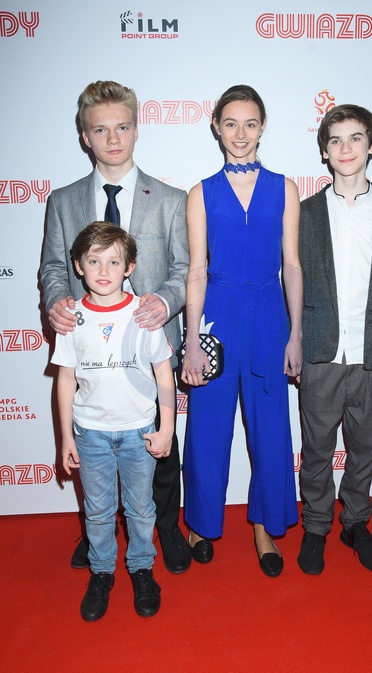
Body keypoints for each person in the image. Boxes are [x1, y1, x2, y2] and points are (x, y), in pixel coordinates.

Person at [40, 80, 191, 574]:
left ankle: (166, 527)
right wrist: (56, 302)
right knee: (98, 447)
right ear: (85, 136)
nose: (112, 139)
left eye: (122, 127)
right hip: (92, 348)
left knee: (159, 446)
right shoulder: (62, 201)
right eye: (100, 130)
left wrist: (163, 303)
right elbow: (53, 268)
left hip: (149, 343)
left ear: (136, 129)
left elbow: (184, 268)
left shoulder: (169, 198)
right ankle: (98, 532)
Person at [181, 84, 302, 577]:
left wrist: (296, 333)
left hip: (269, 316)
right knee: (207, 428)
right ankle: (200, 522)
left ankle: (264, 526)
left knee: (270, 429)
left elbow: (292, 265)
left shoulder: (285, 188)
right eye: (230, 123)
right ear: (216, 126)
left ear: (263, 126)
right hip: (216, 315)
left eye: (250, 123)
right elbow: (195, 270)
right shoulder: (200, 193)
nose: (240, 133)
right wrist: (191, 339)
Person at [297, 104, 372, 575]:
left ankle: (356, 523)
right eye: (336, 140)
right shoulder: (303, 213)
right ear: (324, 151)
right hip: (320, 352)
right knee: (317, 449)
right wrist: (293, 345)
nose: (346, 148)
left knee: (364, 449)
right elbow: (289, 285)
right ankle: (316, 526)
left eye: (355, 138)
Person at [52, 222, 175, 620]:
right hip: (91, 435)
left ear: (130, 267)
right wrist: (66, 438)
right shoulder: (72, 318)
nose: (103, 271)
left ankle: (141, 568)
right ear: (78, 265)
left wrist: (167, 428)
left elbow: (163, 373)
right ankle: (102, 572)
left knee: (140, 509)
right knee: (99, 511)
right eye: (93, 261)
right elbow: (66, 379)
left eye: (114, 262)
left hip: (139, 432)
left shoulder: (143, 314)